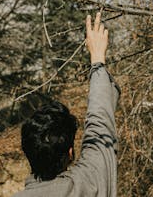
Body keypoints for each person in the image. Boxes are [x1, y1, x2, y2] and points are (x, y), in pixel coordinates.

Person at [13, 12, 121, 197]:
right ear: (70, 153)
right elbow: (100, 121)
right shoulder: (90, 181)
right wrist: (97, 60)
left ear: (28, 155)